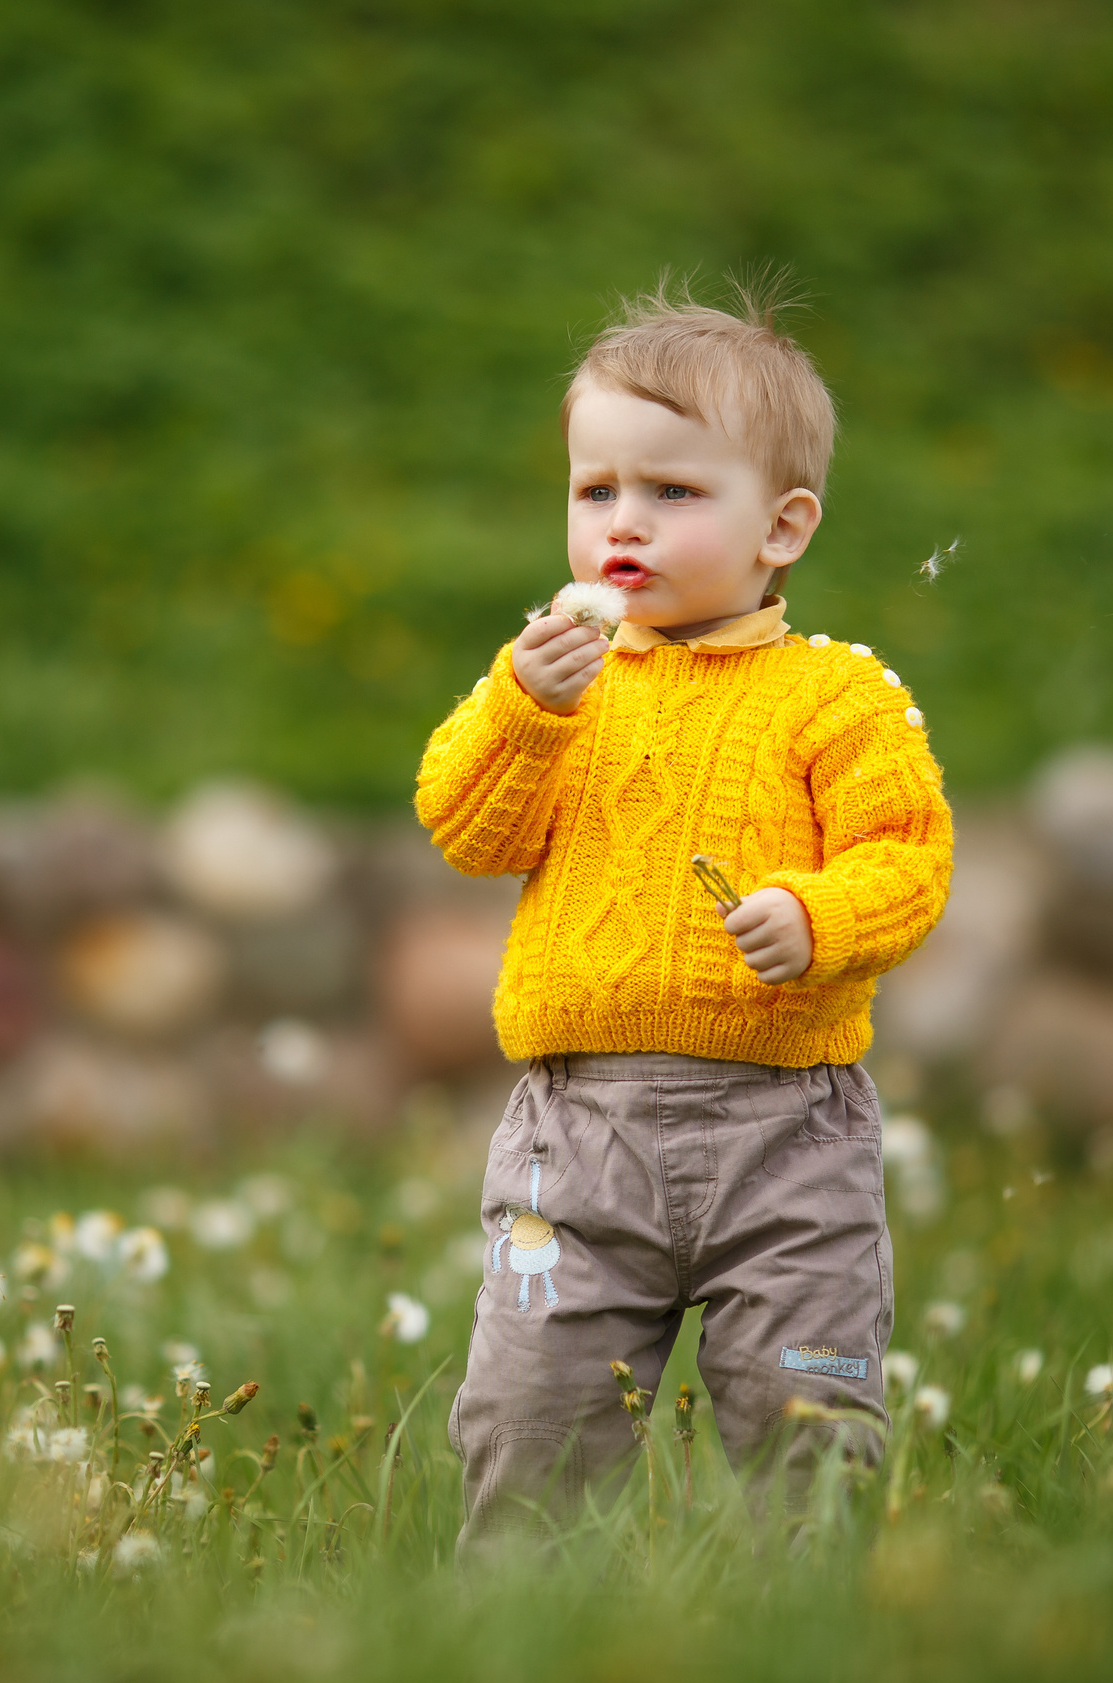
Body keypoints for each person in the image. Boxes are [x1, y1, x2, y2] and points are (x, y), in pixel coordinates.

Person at [414, 281, 955, 1544]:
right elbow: (466, 829)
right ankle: (518, 1627)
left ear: (782, 527)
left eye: (672, 491)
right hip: (575, 1132)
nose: (624, 523)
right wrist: (522, 711)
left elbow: (907, 858)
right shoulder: (558, 682)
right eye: (595, 490)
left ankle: (800, 1625)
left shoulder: (837, 698)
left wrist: (815, 917)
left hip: (789, 1134)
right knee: (530, 1420)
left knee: (807, 1422)